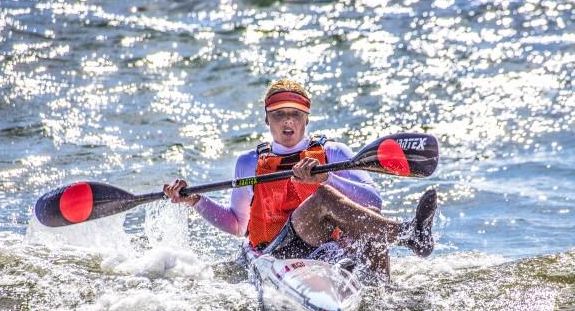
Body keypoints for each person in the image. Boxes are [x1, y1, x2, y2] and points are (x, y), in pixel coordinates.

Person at [163, 79, 437, 279]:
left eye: (295, 114)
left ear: (306, 118)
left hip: (326, 243)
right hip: (277, 251)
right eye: (279, 114)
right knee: (323, 197)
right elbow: (237, 225)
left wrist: (327, 177)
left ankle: (381, 296)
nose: (287, 122)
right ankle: (408, 234)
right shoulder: (249, 163)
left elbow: (373, 201)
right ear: (267, 119)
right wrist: (196, 201)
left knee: (357, 215)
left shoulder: (333, 152)